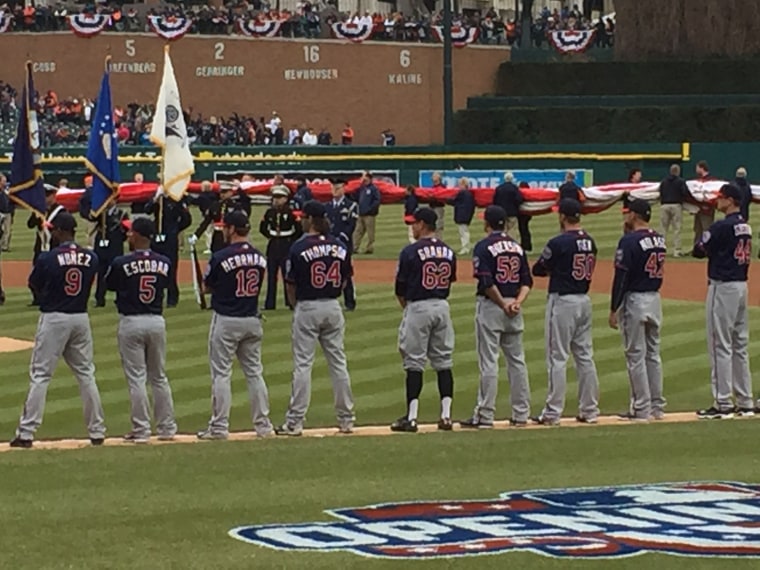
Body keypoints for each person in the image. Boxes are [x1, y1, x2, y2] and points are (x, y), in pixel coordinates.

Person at [10, 212, 106, 448]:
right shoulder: (90, 257)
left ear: (62, 232)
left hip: (54, 317)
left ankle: (26, 432)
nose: (52, 233)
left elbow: (34, 284)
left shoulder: (48, 257)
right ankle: (97, 430)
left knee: (41, 374)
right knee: (86, 374)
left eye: (55, 230)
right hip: (81, 317)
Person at [276, 201, 355, 436]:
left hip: (307, 306)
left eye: (303, 217)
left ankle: (295, 421)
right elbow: (344, 279)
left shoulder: (298, 248)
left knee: (303, 365)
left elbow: (290, 284)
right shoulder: (340, 245)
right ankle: (347, 419)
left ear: (310, 219)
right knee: (338, 363)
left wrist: (295, 305)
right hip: (332, 306)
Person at [197, 211, 274, 440]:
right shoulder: (260, 256)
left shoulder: (221, 256)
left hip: (227, 319)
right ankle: (264, 426)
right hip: (252, 318)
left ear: (231, 229)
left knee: (221, 374)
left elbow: (206, 287)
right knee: (254, 373)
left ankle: (219, 427)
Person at [460, 205, 533, 429]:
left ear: (487, 224)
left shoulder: (483, 246)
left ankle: (485, 415)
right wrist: (517, 303)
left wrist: (503, 304)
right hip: (514, 306)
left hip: (493, 306)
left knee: (489, 362)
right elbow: (527, 281)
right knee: (517, 362)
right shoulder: (517, 247)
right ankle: (521, 414)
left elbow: (486, 282)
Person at [106, 217, 177, 443]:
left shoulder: (120, 262)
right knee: (159, 377)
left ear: (138, 235)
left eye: (130, 232)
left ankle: (142, 430)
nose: (128, 235)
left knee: (137, 378)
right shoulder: (165, 262)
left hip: (131, 322)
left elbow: (111, 285)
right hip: (156, 320)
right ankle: (167, 428)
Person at [531, 198, 600, 426]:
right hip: (584, 301)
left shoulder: (558, 242)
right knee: (585, 356)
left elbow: (539, 268)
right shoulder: (590, 242)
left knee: (557, 357)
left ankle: (552, 412)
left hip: (562, 301)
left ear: (562, 216)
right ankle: (590, 410)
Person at [390, 208, 457, 433]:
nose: (412, 227)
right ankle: (446, 416)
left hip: (418, 306)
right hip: (442, 306)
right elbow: (450, 280)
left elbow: (399, 287)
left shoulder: (410, 251)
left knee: (414, 362)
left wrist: (408, 309)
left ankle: (412, 418)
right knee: (444, 362)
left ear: (423, 224)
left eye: (415, 223)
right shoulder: (448, 250)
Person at [693, 184, 755, 419]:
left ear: (730, 201)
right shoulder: (745, 226)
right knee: (740, 345)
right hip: (741, 286)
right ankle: (745, 400)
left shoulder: (722, 226)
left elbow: (699, 250)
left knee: (720, 343)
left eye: (721, 198)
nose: (717, 202)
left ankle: (723, 403)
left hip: (723, 287)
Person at [608, 198, 666, 422]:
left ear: (635, 215)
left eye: (629, 212)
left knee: (635, 355)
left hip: (635, 300)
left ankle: (640, 408)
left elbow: (621, 276)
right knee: (653, 354)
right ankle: (657, 406)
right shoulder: (659, 239)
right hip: (655, 298)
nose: (626, 214)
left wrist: (614, 308)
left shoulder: (629, 241)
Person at [144, 188, 192, 308]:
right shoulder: (157, 198)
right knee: (155, 266)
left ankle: (172, 298)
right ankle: (155, 295)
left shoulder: (177, 199)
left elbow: (187, 220)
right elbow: (147, 210)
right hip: (157, 237)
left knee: (171, 267)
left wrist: (175, 230)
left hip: (170, 238)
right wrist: (156, 198)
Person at [259, 185, 302, 310]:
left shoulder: (291, 212)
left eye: (280, 197)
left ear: (286, 198)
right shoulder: (269, 212)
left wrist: (290, 240)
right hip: (273, 245)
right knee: (271, 276)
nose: (276, 200)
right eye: (275, 197)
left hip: (286, 244)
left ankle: (289, 302)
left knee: (286, 275)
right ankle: (269, 303)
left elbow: (298, 230)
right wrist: (270, 236)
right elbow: (263, 228)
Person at [27, 185, 66, 306]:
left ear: (53, 196)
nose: (44, 198)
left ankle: (52, 297)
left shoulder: (60, 211)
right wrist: (35, 214)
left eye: (47, 195)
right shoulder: (39, 210)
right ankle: (38, 298)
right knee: (36, 275)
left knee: (54, 275)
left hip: (53, 248)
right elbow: (30, 224)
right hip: (40, 247)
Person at [325, 179, 358, 310]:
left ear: (343, 189)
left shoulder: (350, 205)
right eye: (333, 188)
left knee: (345, 272)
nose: (335, 191)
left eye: (338, 188)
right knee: (328, 271)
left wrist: (342, 237)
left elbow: (351, 224)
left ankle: (350, 301)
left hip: (344, 244)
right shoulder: (327, 206)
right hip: (329, 244)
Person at [91, 204, 129, 307]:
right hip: (101, 247)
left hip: (115, 246)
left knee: (117, 272)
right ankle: (99, 299)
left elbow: (125, 231)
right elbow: (91, 217)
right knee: (101, 272)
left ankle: (119, 297)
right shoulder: (100, 211)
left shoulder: (121, 214)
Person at [190, 185, 241, 255]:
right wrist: (196, 235)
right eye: (221, 192)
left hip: (231, 236)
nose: (222, 195)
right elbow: (206, 221)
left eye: (225, 192)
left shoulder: (236, 206)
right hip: (218, 237)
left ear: (231, 193)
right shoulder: (215, 205)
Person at [659, 164, 689, 257]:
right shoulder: (680, 181)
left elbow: (660, 192)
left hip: (664, 205)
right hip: (676, 205)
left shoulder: (663, 181)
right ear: (678, 172)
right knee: (677, 229)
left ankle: (661, 250)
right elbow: (685, 193)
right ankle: (677, 251)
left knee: (663, 229)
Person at [352, 171, 381, 255]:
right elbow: (355, 196)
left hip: (369, 215)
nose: (363, 178)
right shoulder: (362, 188)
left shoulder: (374, 189)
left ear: (369, 178)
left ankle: (369, 248)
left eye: (364, 176)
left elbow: (377, 200)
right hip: (361, 213)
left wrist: (371, 209)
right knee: (358, 231)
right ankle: (354, 247)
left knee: (370, 233)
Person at [448, 177, 476, 255]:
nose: (459, 186)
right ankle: (466, 247)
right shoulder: (469, 194)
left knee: (463, 232)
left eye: (460, 184)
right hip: (466, 214)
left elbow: (454, 201)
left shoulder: (462, 193)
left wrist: (446, 199)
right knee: (464, 231)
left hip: (462, 214)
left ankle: (465, 247)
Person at [492, 172, 523, 240]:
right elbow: (519, 199)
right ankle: (513, 244)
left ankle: (503, 243)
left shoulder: (499, 188)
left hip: (501, 213)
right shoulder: (514, 188)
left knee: (503, 230)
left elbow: (494, 201)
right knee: (512, 230)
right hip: (512, 213)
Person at [693, 160, 716, 247]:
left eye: (697, 167)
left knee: (707, 229)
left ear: (701, 168)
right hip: (698, 209)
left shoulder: (711, 180)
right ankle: (696, 248)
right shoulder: (698, 180)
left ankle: (708, 248)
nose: (696, 169)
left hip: (707, 209)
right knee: (697, 229)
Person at [429, 171, 446, 240]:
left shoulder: (442, 187)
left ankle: (438, 239)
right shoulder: (433, 187)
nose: (433, 178)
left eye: (434, 177)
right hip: (432, 207)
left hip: (439, 207)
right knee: (432, 224)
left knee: (438, 224)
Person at [517, 181, 533, 252]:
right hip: (527, 213)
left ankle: (525, 245)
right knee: (525, 229)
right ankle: (527, 245)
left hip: (523, 214)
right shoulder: (529, 192)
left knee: (523, 229)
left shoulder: (520, 192)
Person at [0, 173, 13, 253]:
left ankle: (5, 246)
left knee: (7, 230)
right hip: (0, 212)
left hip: (7, 212)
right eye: (3, 181)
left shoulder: (6, 190)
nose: (5, 182)